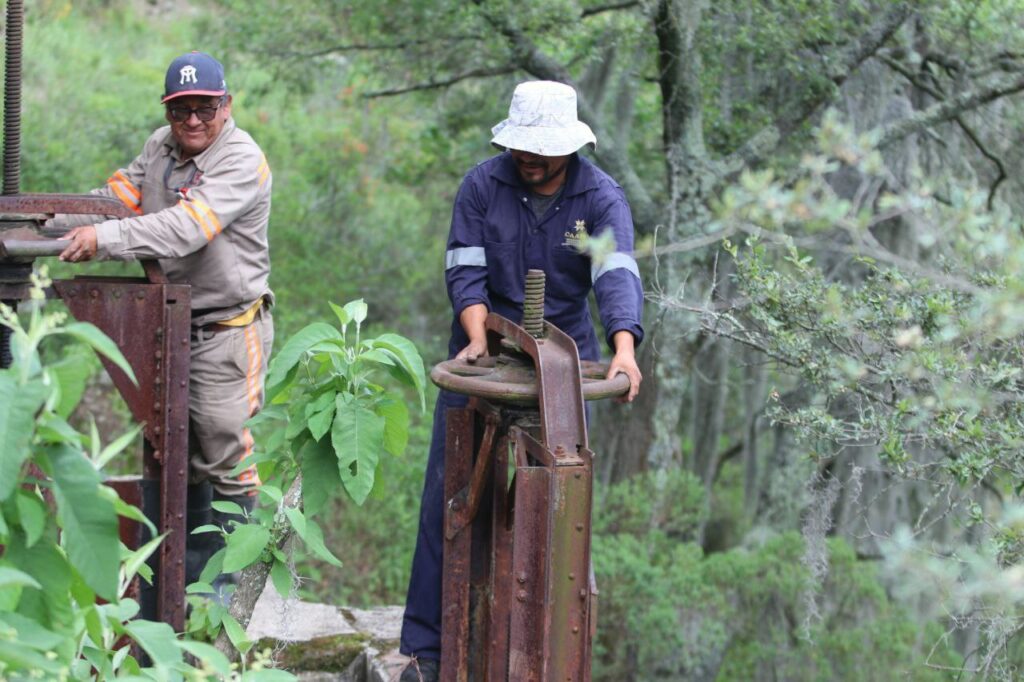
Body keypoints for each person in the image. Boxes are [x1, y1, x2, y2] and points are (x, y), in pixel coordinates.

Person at [399, 80, 644, 681]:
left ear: (570, 146)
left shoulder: (599, 199)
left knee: (560, 506)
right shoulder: (483, 186)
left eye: (543, 149)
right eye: (522, 147)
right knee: (451, 498)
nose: (529, 158)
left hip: (562, 367)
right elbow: (465, 269)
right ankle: (430, 652)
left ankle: (547, 655)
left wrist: (624, 349)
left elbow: (615, 272)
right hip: (483, 352)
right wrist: (477, 338)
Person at [54, 51, 274, 596]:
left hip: (224, 332)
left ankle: (227, 601)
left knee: (224, 455)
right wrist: (43, 220)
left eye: (204, 108)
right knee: (168, 452)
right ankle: (170, 595)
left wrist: (103, 241)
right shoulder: (160, 146)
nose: (192, 121)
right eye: (180, 110)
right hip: (167, 326)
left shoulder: (241, 160)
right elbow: (113, 202)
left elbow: (186, 228)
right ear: (168, 111)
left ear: (226, 105)